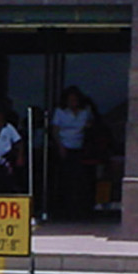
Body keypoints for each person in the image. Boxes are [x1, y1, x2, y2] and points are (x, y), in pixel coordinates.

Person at [51, 86, 94, 218]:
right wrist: (60, 146)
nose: (72, 102)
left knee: (79, 179)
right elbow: (55, 130)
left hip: (79, 148)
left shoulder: (85, 112)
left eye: (75, 100)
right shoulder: (60, 112)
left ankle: (80, 208)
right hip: (64, 147)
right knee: (65, 178)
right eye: (70, 100)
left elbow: (91, 126)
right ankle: (63, 208)